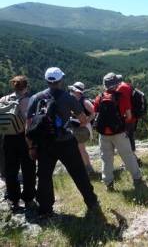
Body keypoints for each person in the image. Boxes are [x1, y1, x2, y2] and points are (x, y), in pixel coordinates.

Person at [26, 67, 99, 217]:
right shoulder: (68, 97)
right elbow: (83, 120)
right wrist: (71, 119)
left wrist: (31, 147)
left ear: (47, 81)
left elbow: (28, 125)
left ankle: (45, 209)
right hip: (66, 142)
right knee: (79, 173)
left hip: (44, 144)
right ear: (61, 81)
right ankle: (91, 202)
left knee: (44, 176)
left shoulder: (36, 98)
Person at [93, 73, 143, 191]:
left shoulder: (99, 98)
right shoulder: (121, 97)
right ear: (116, 84)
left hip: (104, 134)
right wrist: (123, 125)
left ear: (104, 85)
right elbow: (129, 116)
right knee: (128, 156)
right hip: (119, 133)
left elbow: (96, 114)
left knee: (106, 159)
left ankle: (108, 184)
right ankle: (137, 179)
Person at [0, 76, 36, 211]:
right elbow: (29, 123)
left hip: (7, 138)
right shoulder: (27, 100)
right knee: (28, 169)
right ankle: (28, 198)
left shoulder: (3, 99)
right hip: (23, 138)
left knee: (10, 170)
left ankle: (13, 198)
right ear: (26, 87)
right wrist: (32, 144)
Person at [68, 82, 95, 174]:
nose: (70, 91)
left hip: (82, 127)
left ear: (78, 92)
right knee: (79, 148)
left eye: (72, 90)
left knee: (81, 149)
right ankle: (86, 167)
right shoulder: (74, 100)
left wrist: (85, 122)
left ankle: (88, 168)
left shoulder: (85, 101)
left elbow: (94, 113)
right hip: (76, 125)